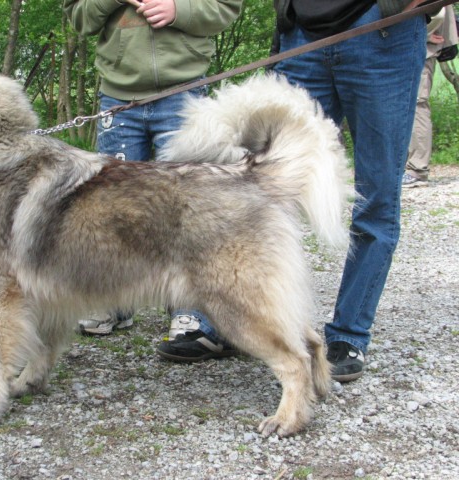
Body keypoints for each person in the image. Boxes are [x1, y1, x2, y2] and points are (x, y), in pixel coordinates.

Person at [158, 0, 429, 382]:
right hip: (302, 34)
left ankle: (349, 333)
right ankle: (238, 319)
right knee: (251, 190)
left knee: (376, 197)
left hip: (383, 32)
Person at [63, 0, 242, 338]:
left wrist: (180, 10)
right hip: (117, 98)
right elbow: (78, 18)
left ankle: (189, 313)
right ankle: (114, 302)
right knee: (111, 211)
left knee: (187, 209)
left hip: (184, 91)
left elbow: (227, 8)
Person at [404, 6, 458, 188]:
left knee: (417, 104)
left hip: (420, 48)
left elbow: (438, 11)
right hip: (408, 46)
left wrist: (424, 34)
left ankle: (417, 169)